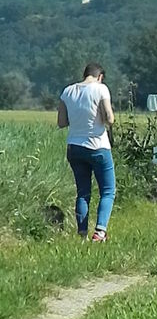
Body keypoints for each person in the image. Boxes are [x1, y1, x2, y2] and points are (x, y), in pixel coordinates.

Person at [57, 63, 115, 242]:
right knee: (108, 190)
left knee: (83, 192)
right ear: (100, 76)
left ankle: (82, 233)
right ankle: (99, 232)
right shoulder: (101, 89)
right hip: (98, 146)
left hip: (74, 146)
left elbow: (61, 122)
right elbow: (109, 118)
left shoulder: (67, 91)